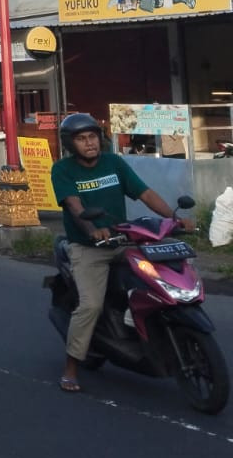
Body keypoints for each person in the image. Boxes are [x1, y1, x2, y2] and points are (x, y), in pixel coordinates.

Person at [51, 112, 189, 393]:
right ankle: (71, 368)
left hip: (123, 241)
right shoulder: (63, 170)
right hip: (89, 247)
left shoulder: (114, 162)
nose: (89, 143)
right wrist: (92, 230)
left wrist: (173, 219)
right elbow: (74, 205)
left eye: (92, 137)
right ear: (70, 144)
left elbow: (145, 193)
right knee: (90, 305)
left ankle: (137, 330)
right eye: (81, 139)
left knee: (155, 282)